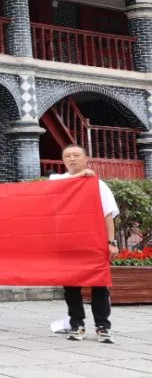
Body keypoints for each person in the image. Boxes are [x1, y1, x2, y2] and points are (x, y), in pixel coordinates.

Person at [53, 143, 120, 344]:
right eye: (67, 156)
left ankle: (102, 326)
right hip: (67, 242)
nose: (72, 159)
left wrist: (111, 242)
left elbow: (108, 215)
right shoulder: (56, 180)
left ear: (86, 158)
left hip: (94, 242)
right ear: (63, 160)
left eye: (76, 155)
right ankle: (77, 324)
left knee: (99, 285)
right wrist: (81, 176)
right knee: (71, 286)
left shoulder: (98, 185)